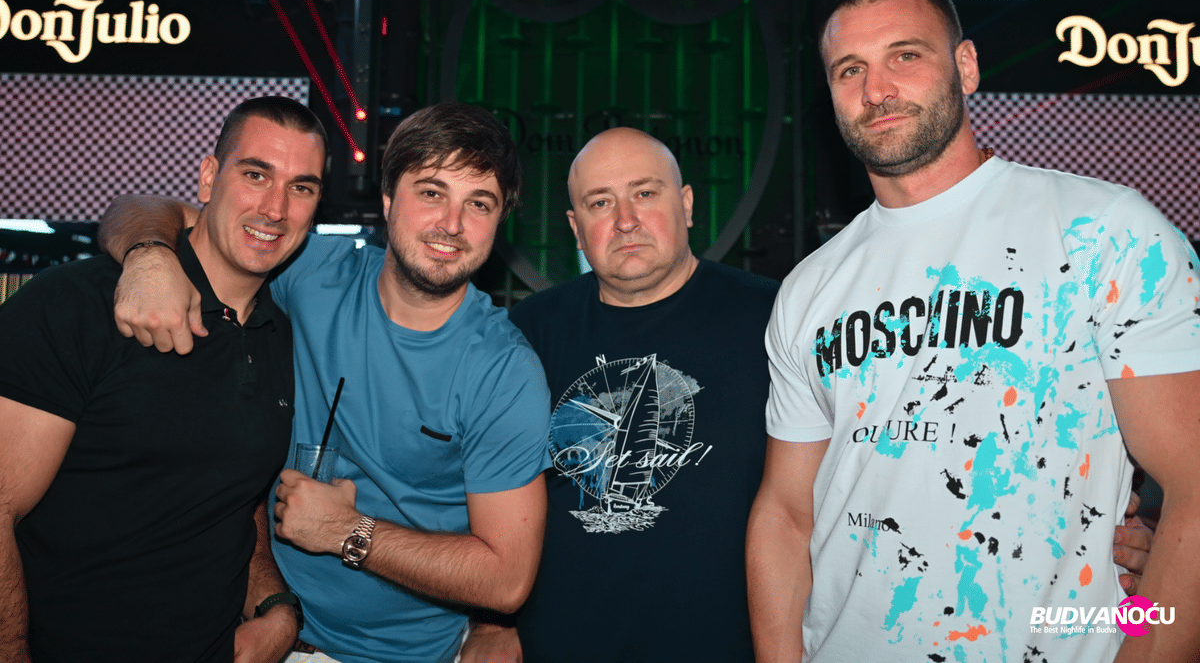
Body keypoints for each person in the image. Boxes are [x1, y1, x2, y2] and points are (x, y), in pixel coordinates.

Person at [746, 0, 1200, 662]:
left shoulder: (1107, 231)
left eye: (905, 56)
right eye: (850, 70)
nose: (876, 90)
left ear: (965, 66)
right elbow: (785, 514)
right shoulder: (808, 288)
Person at [98, 101, 552, 663]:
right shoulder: (312, 271)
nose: (452, 224)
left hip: (394, 655)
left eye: (478, 203)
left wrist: (348, 531)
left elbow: (507, 581)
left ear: (500, 220)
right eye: (431, 192)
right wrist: (148, 256)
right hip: (253, 618)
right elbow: (145, 208)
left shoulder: (504, 371)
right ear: (388, 200)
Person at [0, 96, 327, 663]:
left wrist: (277, 607)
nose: (275, 208)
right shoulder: (78, 304)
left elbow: (231, 495)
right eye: (255, 175)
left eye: (301, 187)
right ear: (208, 177)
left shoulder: (279, 335)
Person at [458, 126, 780, 663]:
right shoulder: (528, 333)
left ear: (686, 205)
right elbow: (487, 494)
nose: (625, 220)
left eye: (645, 193)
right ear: (576, 229)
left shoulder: (774, 319)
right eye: (600, 202)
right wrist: (492, 623)